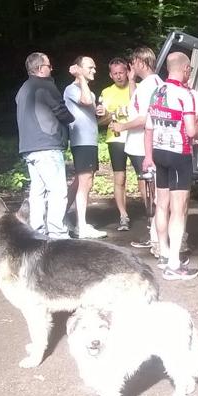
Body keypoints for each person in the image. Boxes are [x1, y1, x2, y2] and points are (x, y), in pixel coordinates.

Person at [142, 52, 198, 280]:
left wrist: (148, 156)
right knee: (178, 208)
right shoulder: (185, 94)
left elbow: (148, 128)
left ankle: (164, 253)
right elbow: (191, 131)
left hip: (158, 152)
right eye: (190, 70)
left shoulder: (157, 91)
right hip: (179, 154)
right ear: (185, 69)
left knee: (161, 205)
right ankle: (174, 264)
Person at [16, 52, 74, 240]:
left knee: (37, 192)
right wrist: (71, 119)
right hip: (47, 145)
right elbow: (61, 111)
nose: (51, 68)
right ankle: (58, 234)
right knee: (58, 191)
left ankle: (37, 233)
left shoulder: (23, 89)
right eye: (49, 66)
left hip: (28, 147)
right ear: (41, 69)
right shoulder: (45, 85)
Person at [111, 47, 162, 250]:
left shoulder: (149, 85)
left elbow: (143, 118)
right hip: (140, 145)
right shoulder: (153, 83)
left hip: (142, 146)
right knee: (150, 190)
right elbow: (136, 106)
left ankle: (155, 234)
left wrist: (122, 126)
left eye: (133, 63)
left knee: (149, 191)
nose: (131, 66)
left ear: (141, 62)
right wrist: (132, 81)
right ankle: (156, 232)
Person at [63, 56, 107, 239]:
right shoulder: (71, 89)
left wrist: (101, 112)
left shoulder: (87, 90)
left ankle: (60, 216)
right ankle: (81, 226)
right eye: (90, 67)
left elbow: (92, 109)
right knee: (85, 182)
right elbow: (87, 101)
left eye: (94, 67)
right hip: (81, 141)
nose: (94, 70)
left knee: (80, 181)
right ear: (79, 69)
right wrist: (80, 77)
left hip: (90, 141)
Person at [100, 58, 136, 231]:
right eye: (115, 73)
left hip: (135, 137)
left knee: (143, 177)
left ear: (127, 72)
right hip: (115, 139)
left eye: (121, 72)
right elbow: (102, 121)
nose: (119, 76)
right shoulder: (106, 92)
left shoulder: (136, 87)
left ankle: (152, 214)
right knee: (119, 178)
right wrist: (104, 115)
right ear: (110, 75)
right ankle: (123, 216)